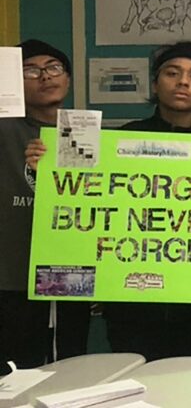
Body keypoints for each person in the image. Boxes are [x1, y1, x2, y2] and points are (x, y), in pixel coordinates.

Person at [92, 43, 191, 359]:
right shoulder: (122, 141)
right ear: (155, 83)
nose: (183, 82)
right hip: (135, 304)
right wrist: (47, 165)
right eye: (172, 73)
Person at [4, 41, 90, 373]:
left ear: (67, 78)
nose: (45, 76)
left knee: (69, 367)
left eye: (54, 67)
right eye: (31, 70)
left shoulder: (86, 132)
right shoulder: (4, 129)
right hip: (11, 276)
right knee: (12, 370)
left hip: (71, 274)